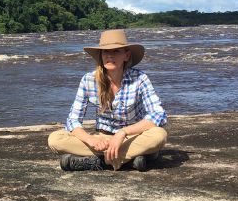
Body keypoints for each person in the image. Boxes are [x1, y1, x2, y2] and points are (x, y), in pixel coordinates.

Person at [48, 29, 168, 172]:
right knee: (55, 139)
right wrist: (90, 140)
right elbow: (73, 120)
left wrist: (122, 133)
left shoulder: (140, 79)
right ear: (101, 55)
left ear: (126, 55)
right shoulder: (88, 80)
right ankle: (130, 159)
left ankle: (99, 162)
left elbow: (158, 114)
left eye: (116, 51)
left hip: (131, 137)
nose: (110, 55)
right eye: (106, 52)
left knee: (159, 135)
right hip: (101, 139)